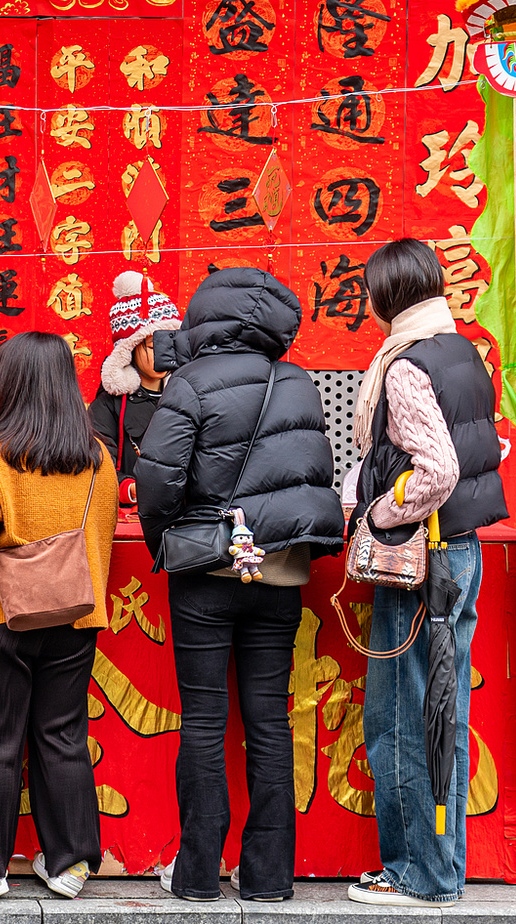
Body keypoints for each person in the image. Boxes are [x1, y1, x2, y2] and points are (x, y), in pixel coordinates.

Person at [132, 268, 345, 903]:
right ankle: (268, 876)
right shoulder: (301, 384)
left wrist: (167, 539)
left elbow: (156, 483)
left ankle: (197, 875)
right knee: (269, 721)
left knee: (203, 721)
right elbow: (314, 472)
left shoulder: (190, 384)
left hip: (205, 572)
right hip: (276, 573)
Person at [348, 239, 507, 908]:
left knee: (406, 719)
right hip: (457, 553)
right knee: (439, 711)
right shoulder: (460, 350)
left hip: (422, 561)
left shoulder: (408, 366)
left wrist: (379, 509)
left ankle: (423, 875)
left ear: (387, 297)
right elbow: (483, 447)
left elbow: (438, 469)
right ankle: (436, 868)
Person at [0, 332, 119, 903]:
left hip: (2, 618)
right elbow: (102, 538)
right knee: (62, 737)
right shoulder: (96, 455)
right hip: (75, 616)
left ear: (11, 383)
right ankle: (69, 866)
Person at [89, 271, 181, 509]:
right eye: (153, 346)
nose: (164, 353)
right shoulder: (108, 405)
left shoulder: (186, 394)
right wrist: (128, 488)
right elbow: (98, 462)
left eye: (170, 343)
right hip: (129, 515)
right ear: (128, 349)